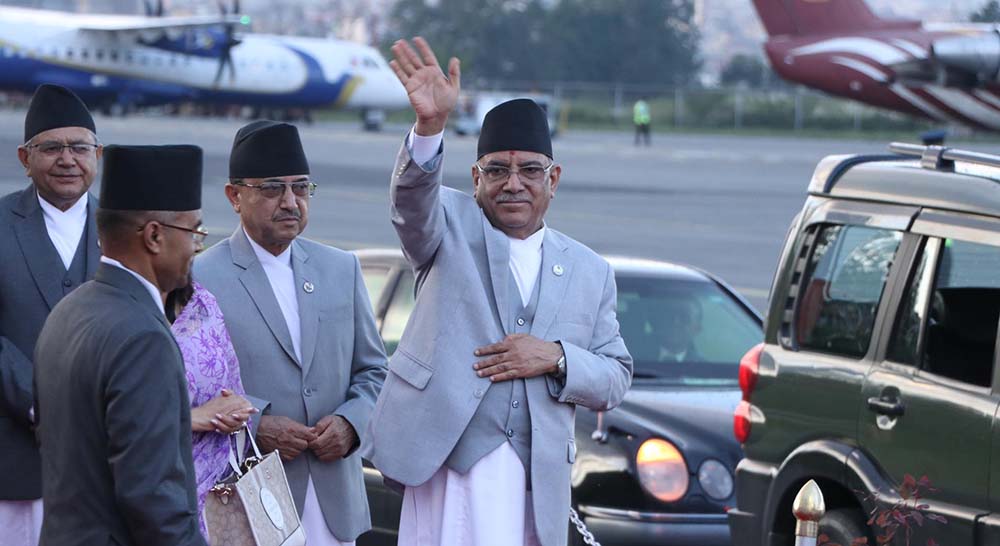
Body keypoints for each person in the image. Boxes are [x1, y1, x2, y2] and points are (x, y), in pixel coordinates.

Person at [362, 37, 633, 546]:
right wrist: (429, 128)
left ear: (553, 179)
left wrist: (555, 357)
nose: (513, 183)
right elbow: (411, 204)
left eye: (530, 170)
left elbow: (615, 376)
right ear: (475, 178)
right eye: (497, 170)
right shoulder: (447, 226)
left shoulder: (589, 270)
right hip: (447, 466)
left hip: (535, 481)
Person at [194, 120, 388, 546]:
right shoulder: (200, 278)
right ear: (234, 196)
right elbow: (185, 388)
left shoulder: (340, 268)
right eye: (272, 189)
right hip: (248, 500)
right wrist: (256, 425)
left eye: (300, 188)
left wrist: (351, 423)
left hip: (335, 499)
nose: (289, 202)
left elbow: (375, 371)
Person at [33, 144, 208, 546]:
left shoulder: (70, 309)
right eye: (194, 232)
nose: (196, 247)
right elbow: (153, 499)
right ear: (154, 236)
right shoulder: (143, 337)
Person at [0, 84, 101, 546]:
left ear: (98, 155)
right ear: (25, 158)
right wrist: (41, 402)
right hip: (17, 461)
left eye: (79, 147)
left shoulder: (131, 230)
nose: (67, 160)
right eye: (51, 148)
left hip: (111, 463)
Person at [167, 279, 258, 539]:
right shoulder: (118, 311)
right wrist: (193, 418)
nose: (190, 258)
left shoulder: (202, 301)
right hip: (156, 492)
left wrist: (235, 412)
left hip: (216, 498)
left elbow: (233, 387)